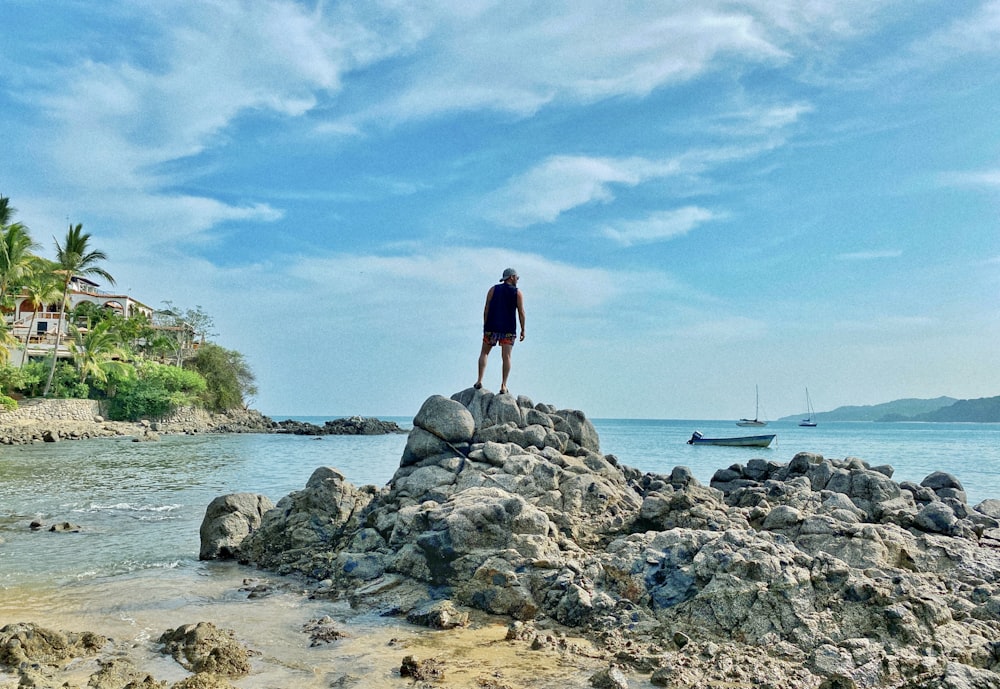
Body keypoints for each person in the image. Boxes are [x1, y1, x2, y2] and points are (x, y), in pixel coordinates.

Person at [475, 267, 525, 395]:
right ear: (511, 277)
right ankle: (503, 385)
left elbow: (486, 308)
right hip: (508, 329)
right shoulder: (517, 293)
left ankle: (479, 380)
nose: (517, 280)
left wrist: (485, 324)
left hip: (491, 326)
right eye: (517, 277)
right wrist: (523, 329)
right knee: (506, 357)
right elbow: (521, 312)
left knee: (484, 353)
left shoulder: (493, 289)